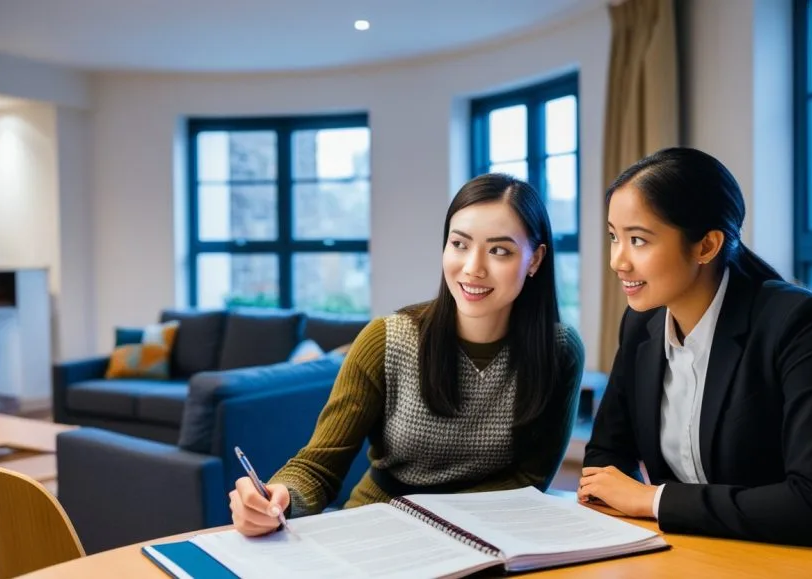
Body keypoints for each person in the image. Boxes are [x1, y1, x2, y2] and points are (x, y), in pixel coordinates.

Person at [230, 173, 585, 536]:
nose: (473, 268)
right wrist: (279, 497)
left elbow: (531, 478)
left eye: (499, 251)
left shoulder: (558, 352)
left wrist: (442, 522)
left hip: (489, 536)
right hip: (378, 529)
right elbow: (319, 465)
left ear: (535, 260)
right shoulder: (387, 340)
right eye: (459, 244)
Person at [579, 147, 812, 548]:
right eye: (614, 237)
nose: (618, 261)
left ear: (706, 246)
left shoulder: (796, 321)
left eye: (638, 240)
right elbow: (605, 458)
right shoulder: (641, 324)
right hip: (701, 552)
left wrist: (654, 500)